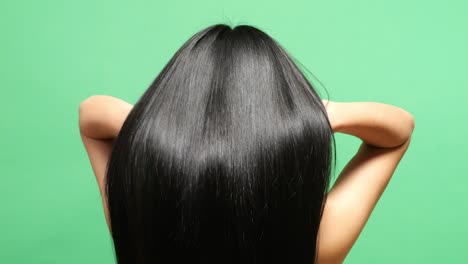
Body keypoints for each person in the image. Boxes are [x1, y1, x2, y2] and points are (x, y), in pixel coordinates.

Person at [79, 24, 415, 264]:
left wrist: (164, 122)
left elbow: (91, 116)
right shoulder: (315, 249)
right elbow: (397, 131)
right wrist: (314, 116)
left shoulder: (142, 226)